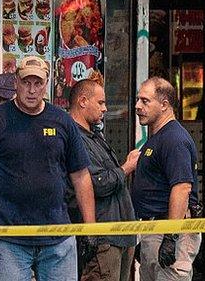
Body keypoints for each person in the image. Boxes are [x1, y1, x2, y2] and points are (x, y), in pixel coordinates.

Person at [0, 55, 96, 280]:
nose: (31, 90)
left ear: (46, 85)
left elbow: (80, 176)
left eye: (38, 83)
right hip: (8, 236)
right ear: (16, 83)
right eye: (26, 82)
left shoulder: (62, 121)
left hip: (58, 235)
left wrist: (90, 230)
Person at [130, 77, 202, 281]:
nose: (137, 106)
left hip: (169, 234)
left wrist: (171, 237)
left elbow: (182, 188)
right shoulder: (158, 137)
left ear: (164, 105)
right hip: (153, 232)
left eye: (145, 101)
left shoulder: (174, 139)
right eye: (138, 100)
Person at [67, 78, 138, 281]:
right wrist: (126, 168)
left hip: (120, 234)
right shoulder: (75, 138)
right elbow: (97, 183)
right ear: (82, 101)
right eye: (101, 103)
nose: (105, 109)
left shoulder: (94, 135)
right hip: (102, 237)